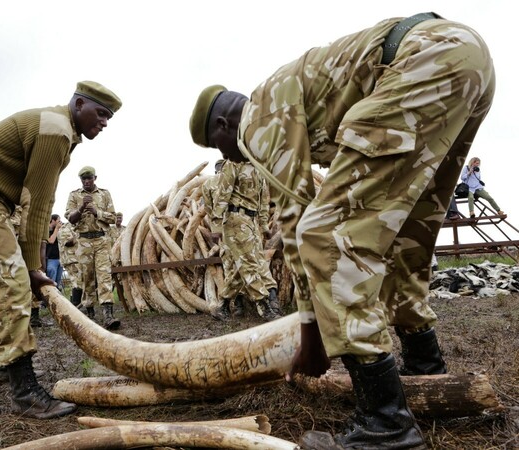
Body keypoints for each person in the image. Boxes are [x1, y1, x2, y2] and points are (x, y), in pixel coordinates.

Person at [189, 12, 493, 449]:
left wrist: (311, 338)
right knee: (407, 235)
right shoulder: (291, 91)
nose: (231, 158)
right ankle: (426, 367)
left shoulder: (259, 116)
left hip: (424, 59)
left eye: (219, 147)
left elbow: (299, 222)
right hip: (467, 58)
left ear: (222, 126)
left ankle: (386, 424)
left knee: (326, 237)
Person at [0, 80, 122, 419]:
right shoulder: (57, 131)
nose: (105, 122)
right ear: (79, 105)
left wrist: (29, 263)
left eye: (109, 117)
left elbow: (33, 202)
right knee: (12, 283)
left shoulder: (60, 128)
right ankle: (25, 392)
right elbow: (37, 204)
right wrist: (34, 266)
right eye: (100, 113)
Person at [203, 157, 281, 321]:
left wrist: (263, 225)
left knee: (240, 269)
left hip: (251, 223)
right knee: (248, 264)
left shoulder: (257, 169)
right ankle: (264, 306)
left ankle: (222, 305)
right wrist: (216, 225)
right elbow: (223, 194)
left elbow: (262, 200)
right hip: (235, 220)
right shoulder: (233, 164)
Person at [65, 166, 121, 330]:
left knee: (104, 275)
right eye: (83, 179)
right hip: (83, 242)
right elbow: (70, 218)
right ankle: (89, 312)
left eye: (89, 178)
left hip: (101, 240)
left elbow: (112, 217)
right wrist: (81, 208)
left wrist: (97, 212)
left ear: (95, 178)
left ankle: (108, 315)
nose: (86, 181)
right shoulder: (74, 195)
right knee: (87, 277)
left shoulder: (104, 194)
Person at [57, 221, 82, 307]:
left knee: (76, 282)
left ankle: (75, 305)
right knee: (77, 282)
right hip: (71, 260)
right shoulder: (65, 228)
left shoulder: (77, 225)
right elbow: (68, 243)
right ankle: (76, 304)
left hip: (77, 259)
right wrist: (79, 236)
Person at [46, 214, 64, 290]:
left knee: (58, 281)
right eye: (58, 220)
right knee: (51, 281)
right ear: (53, 220)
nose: (60, 222)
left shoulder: (57, 230)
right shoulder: (46, 230)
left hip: (60, 259)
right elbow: (51, 241)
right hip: (51, 259)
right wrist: (56, 229)